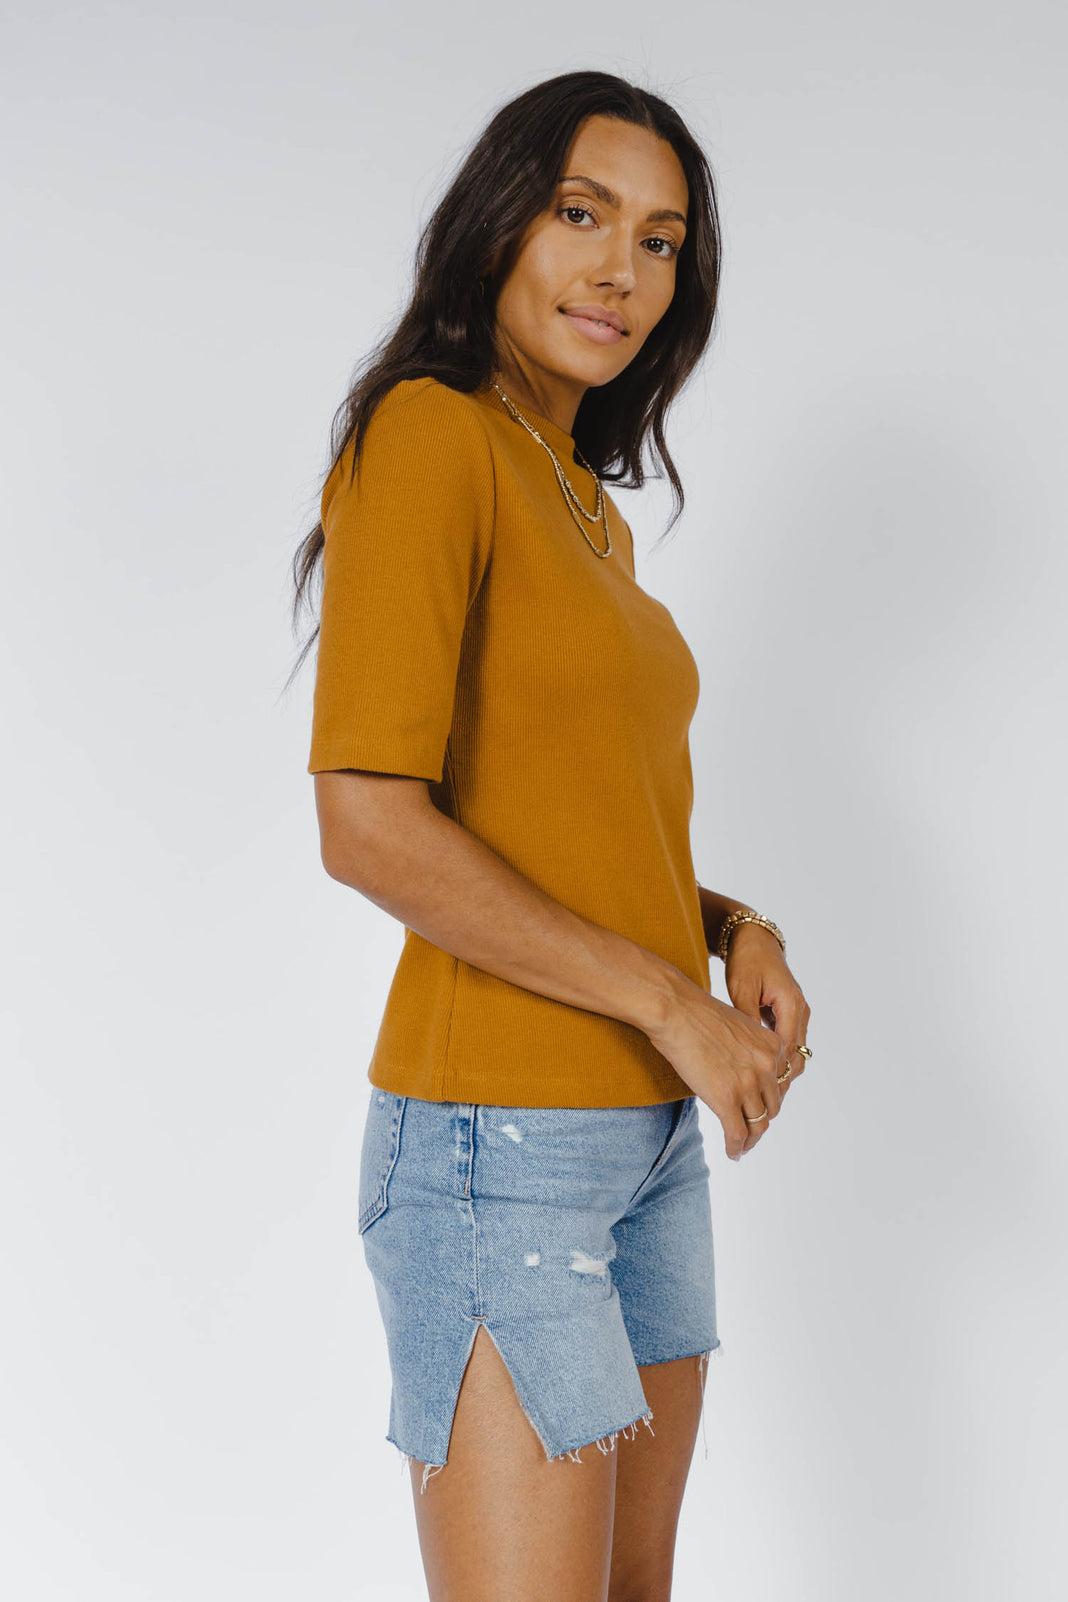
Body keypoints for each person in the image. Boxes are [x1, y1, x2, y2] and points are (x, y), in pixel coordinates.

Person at [288, 69, 812, 1602]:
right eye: (583, 214)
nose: (620, 270)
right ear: (500, 222)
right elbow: (368, 823)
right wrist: (669, 1002)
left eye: (659, 241)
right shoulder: (429, 435)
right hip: (493, 1146)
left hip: (644, 1140)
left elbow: (567, 823)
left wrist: (732, 931)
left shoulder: (586, 503)